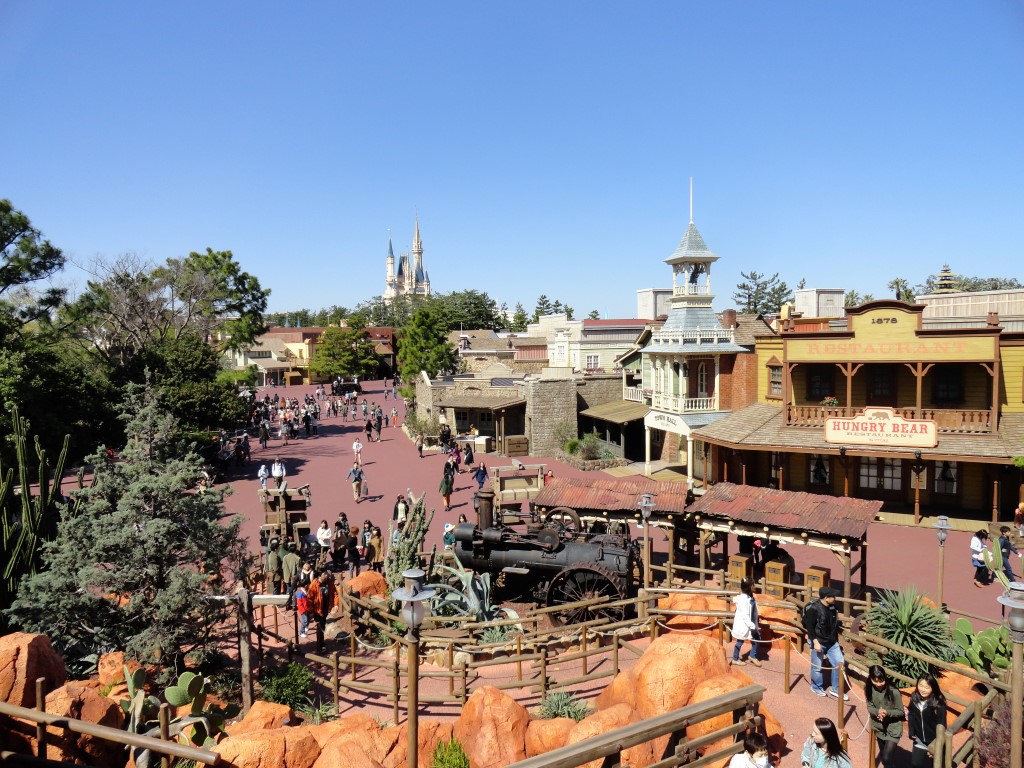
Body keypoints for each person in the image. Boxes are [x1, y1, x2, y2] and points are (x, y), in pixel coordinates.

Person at [802, 586, 847, 699]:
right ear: (826, 598)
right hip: (818, 641)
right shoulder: (814, 609)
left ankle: (836, 689)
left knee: (839, 664)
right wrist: (815, 642)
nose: (835, 598)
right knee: (817, 667)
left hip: (831, 642)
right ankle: (816, 687)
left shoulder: (833, 607)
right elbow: (810, 628)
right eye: (833, 596)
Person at [864, 665, 905, 768]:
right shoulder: (868, 689)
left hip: (893, 728)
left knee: (886, 758)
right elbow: (869, 707)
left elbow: (901, 712)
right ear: (871, 678)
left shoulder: (894, 691)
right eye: (875, 681)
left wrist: (887, 713)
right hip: (879, 727)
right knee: (885, 759)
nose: (878, 684)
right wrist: (878, 712)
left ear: (885, 678)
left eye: (881, 681)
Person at [908, 674, 947, 768]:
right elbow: (911, 714)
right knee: (915, 763)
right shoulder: (914, 698)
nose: (923, 689)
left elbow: (942, 725)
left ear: (933, 688)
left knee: (937, 765)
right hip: (920, 739)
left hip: (935, 740)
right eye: (920, 685)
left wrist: (937, 744)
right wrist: (911, 730)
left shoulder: (938, 704)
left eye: (927, 687)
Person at [730, 577, 761, 667]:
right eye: (753, 585)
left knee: (756, 638)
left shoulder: (749, 597)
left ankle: (752, 656)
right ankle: (735, 659)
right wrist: (752, 626)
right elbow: (745, 615)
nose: (754, 586)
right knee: (740, 641)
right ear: (749, 587)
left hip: (751, 623)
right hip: (745, 625)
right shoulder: (744, 600)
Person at [307, 569, 339, 654]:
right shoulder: (314, 584)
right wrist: (310, 611)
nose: (326, 575)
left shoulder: (329, 583)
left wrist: (336, 604)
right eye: (324, 574)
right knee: (320, 627)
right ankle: (320, 647)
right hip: (317, 610)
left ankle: (321, 643)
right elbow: (309, 598)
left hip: (326, 609)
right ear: (319, 576)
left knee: (323, 626)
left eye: (326, 574)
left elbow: (335, 593)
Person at [281, 542, 302, 607]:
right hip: (294, 577)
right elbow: (299, 570)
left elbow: (283, 567)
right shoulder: (298, 558)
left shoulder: (285, 557)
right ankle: (293, 605)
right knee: (294, 591)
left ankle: (287, 604)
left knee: (288, 590)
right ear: (295, 549)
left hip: (287, 577)